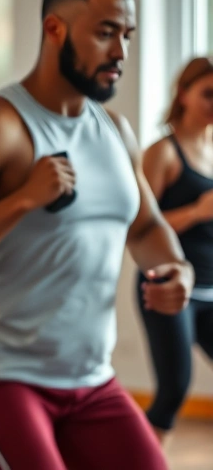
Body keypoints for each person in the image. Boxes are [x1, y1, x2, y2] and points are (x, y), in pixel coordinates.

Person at [0, 0, 191, 470]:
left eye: (127, 34)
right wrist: (21, 201)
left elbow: (146, 226)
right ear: (55, 29)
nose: (120, 50)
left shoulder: (115, 132)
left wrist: (178, 270)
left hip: (90, 380)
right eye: (106, 32)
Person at [137, 56, 213, 443]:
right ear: (183, 94)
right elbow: (139, 226)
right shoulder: (162, 153)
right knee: (173, 392)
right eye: (208, 94)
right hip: (168, 287)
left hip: (211, 289)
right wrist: (198, 211)